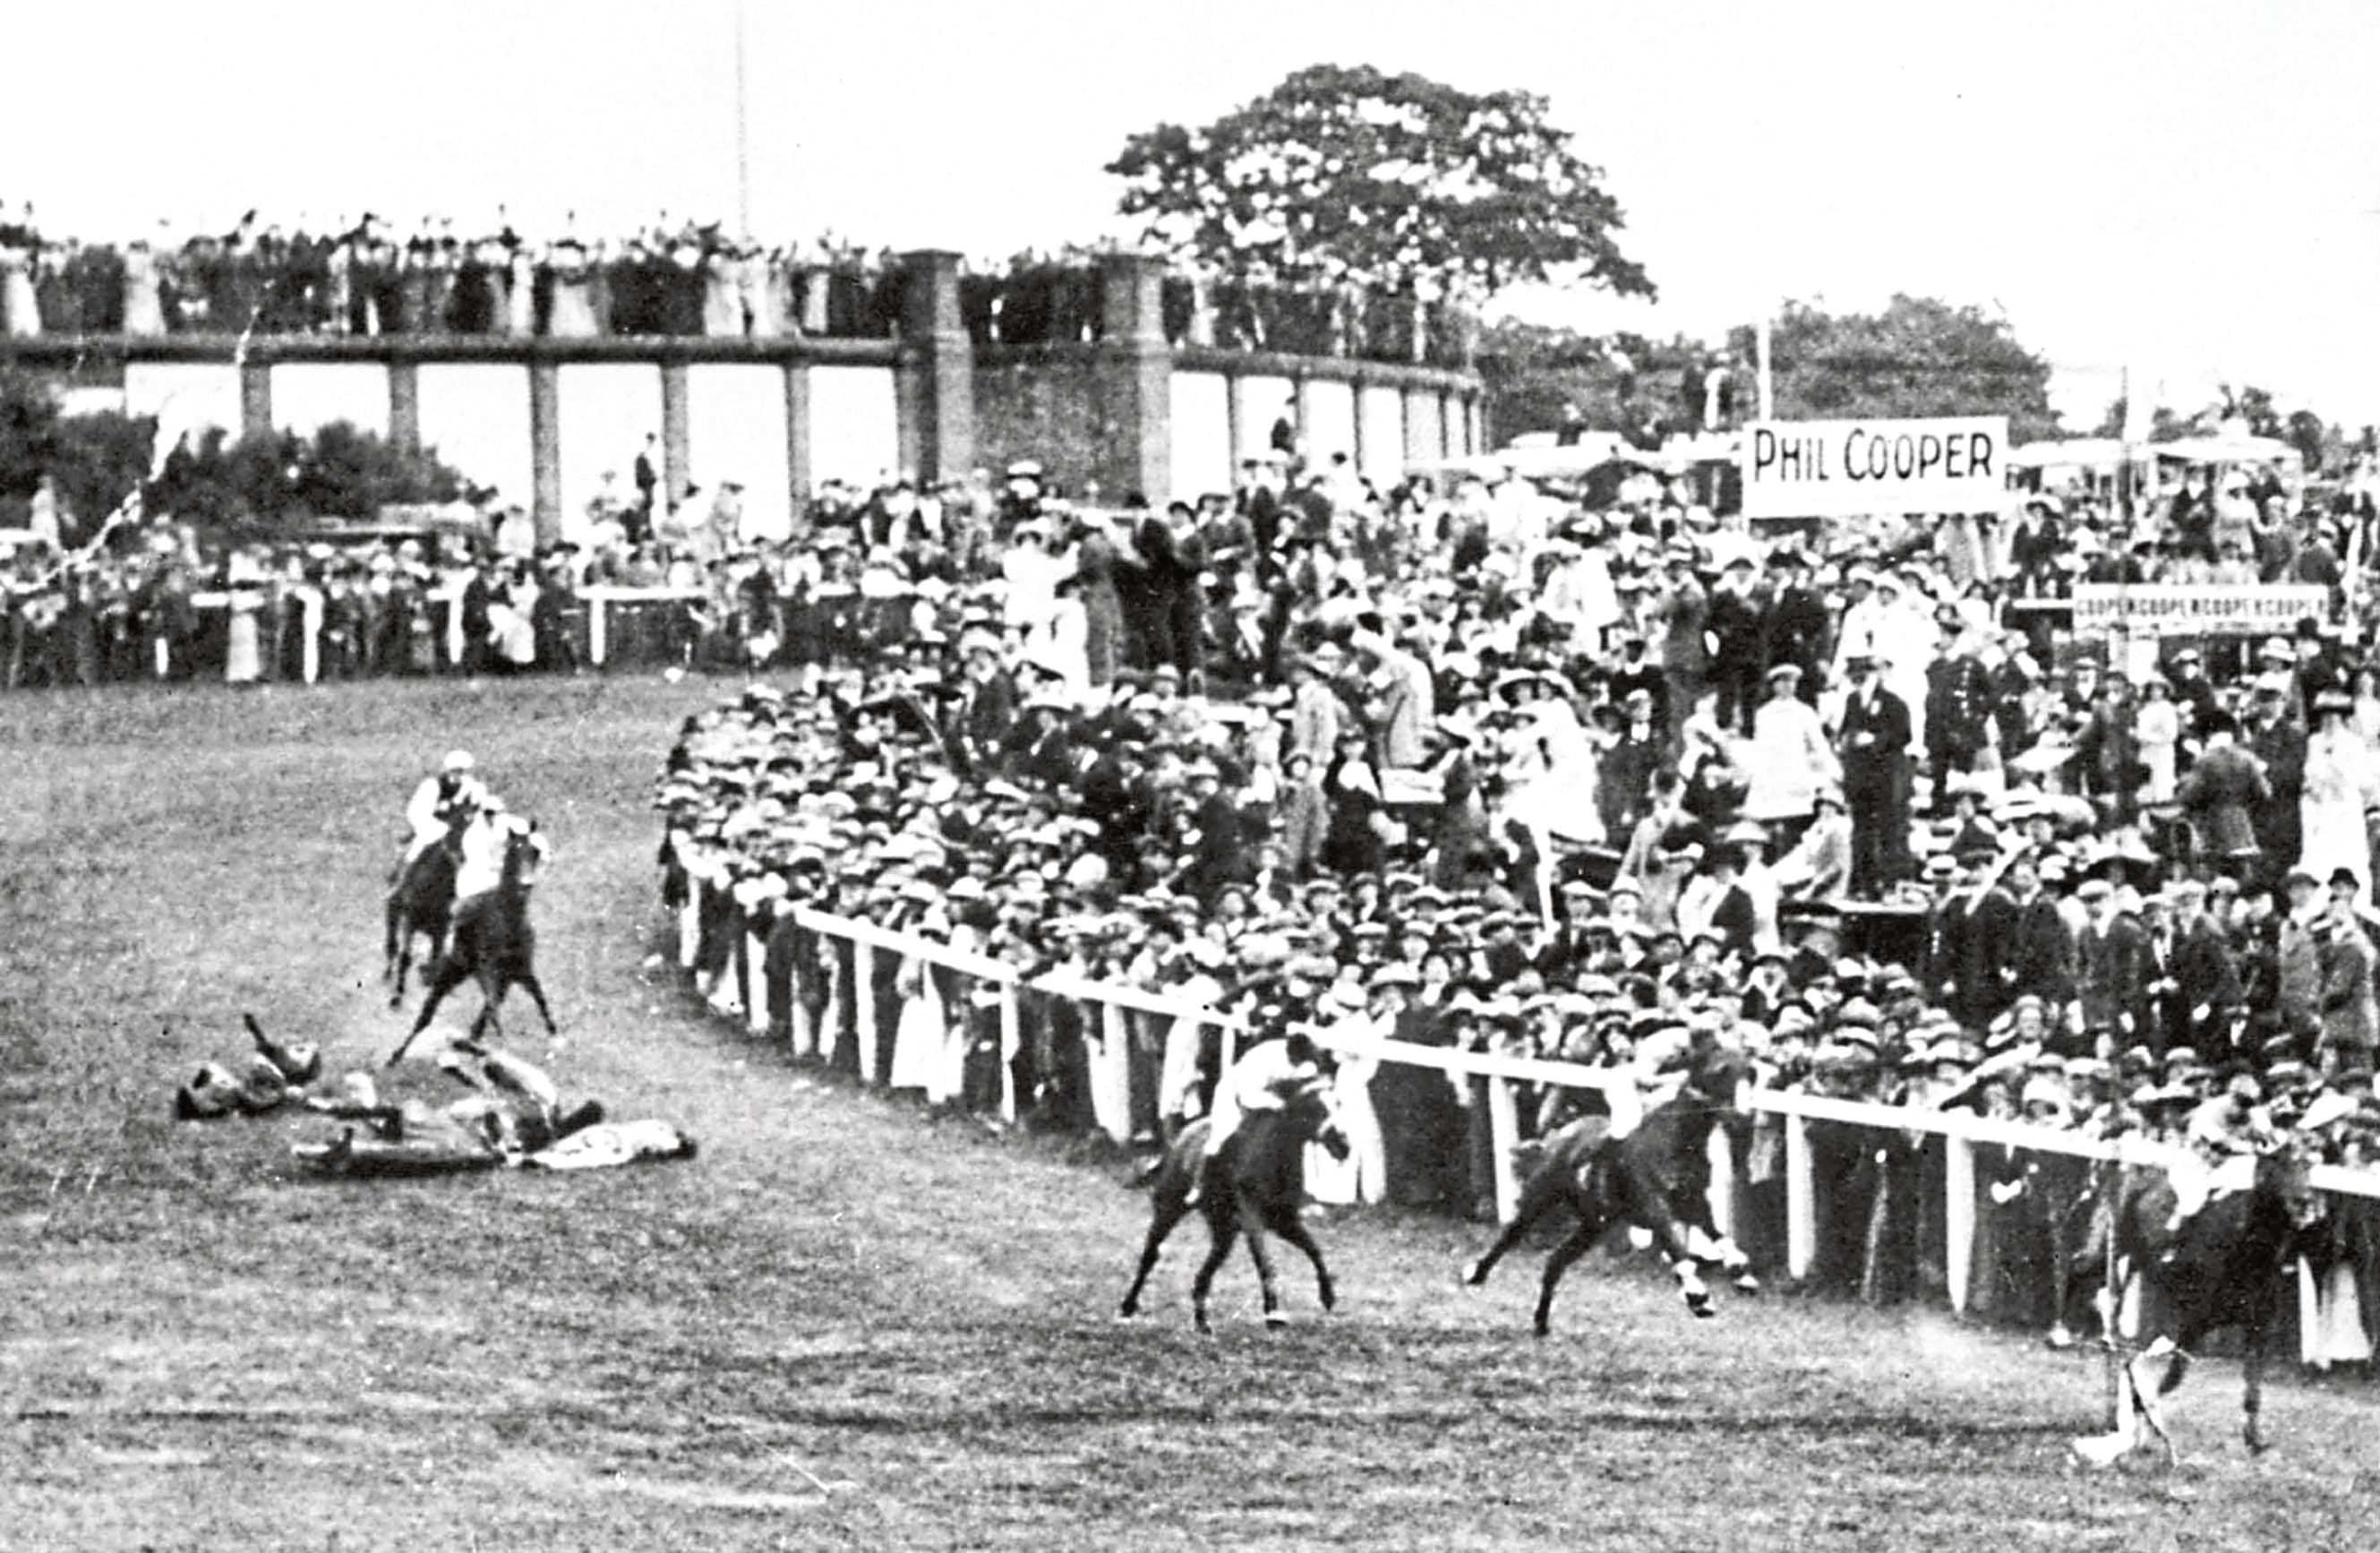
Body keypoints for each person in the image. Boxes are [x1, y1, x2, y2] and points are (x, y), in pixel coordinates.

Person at [1185, 1026, 1326, 1207]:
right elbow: (1248, 1096)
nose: (1297, 1065)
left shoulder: (1307, 1055)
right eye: (1295, 1062)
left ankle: (1301, 1192)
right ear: (1288, 1054)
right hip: (1235, 1093)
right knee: (1221, 1135)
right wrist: (1276, 1103)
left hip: (1274, 1095)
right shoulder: (1264, 1060)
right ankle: (1199, 1185)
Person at [401, 750, 488, 871]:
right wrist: (439, 818)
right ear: (448, 770)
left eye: (461, 771)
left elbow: (481, 808)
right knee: (423, 842)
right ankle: (405, 871)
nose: (458, 775)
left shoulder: (473, 787)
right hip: (435, 824)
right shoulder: (433, 786)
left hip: (462, 825)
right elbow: (419, 812)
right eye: (454, 771)